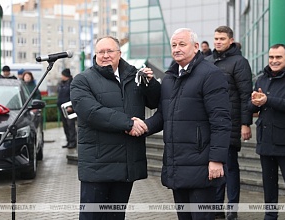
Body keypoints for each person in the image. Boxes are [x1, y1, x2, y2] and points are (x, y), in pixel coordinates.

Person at [142, 28, 231, 220]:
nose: (177, 49)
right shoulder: (169, 78)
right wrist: (143, 126)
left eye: (182, 44)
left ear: (196, 47)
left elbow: (221, 121)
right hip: (177, 165)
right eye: (174, 45)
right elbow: (163, 116)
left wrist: (216, 159)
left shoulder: (211, 75)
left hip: (202, 165)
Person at [70, 35, 161, 220]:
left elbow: (155, 102)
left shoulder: (134, 76)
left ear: (119, 53)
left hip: (125, 165)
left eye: (109, 51)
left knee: (116, 216)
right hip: (97, 166)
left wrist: (150, 84)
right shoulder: (82, 80)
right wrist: (129, 124)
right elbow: (91, 112)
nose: (105, 55)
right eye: (100, 52)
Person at [250, 44, 285, 220]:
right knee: (269, 184)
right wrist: (254, 102)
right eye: (271, 57)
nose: (274, 61)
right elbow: (250, 105)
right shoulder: (261, 79)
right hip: (265, 140)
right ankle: (270, 215)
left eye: (278, 57)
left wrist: (267, 100)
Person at [205, 25, 253, 220]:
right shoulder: (207, 61)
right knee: (214, 168)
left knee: (230, 168)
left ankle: (232, 209)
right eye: (216, 38)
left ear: (231, 40)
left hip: (231, 124)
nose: (218, 41)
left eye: (222, 39)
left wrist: (245, 123)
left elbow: (245, 95)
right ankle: (216, 209)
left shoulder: (240, 62)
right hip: (210, 124)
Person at [57, 68, 77, 149]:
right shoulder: (61, 84)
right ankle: (68, 141)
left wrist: (71, 106)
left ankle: (73, 142)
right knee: (65, 125)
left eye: (62, 75)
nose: (61, 76)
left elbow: (73, 96)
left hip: (69, 108)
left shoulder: (72, 83)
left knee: (70, 125)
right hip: (62, 108)